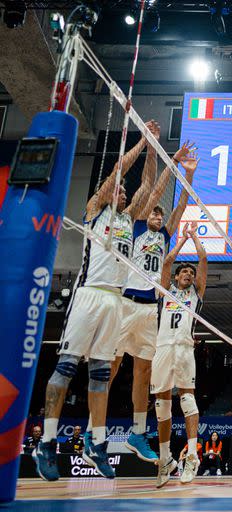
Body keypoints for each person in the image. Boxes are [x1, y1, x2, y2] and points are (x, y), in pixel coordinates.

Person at [34, 122, 160, 482]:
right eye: (118, 190)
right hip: (90, 294)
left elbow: (147, 185)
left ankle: (98, 443)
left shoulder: (129, 218)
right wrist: (139, 142)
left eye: (123, 192)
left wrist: (153, 148)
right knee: (68, 366)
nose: (122, 192)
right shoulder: (95, 209)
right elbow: (117, 172)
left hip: (116, 302)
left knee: (102, 375)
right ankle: (47, 443)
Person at [108, 143, 198, 463]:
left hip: (149, 309)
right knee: (112, 364)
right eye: (156, 213)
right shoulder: (134, 228)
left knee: (143, 372)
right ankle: (95, 432)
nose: (159, 215)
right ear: (148, 216)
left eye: (161, 214)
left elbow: (181, 204)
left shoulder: (165, 236)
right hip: (126, 302)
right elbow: (156, 190)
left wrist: (189, 175)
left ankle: (136, 431)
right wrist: (171, 162)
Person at [152, 222, 208, 488]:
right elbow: (167, 261)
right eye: (183, 272)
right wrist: (182, 240)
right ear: (176, 278)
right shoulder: (166, 291)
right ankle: (165, 459)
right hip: (162, 347)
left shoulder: (195, 294)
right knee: (162, 404)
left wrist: (195, 237)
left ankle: (193, 456)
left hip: (184, 348)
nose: (187, 273)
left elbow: (204, 259)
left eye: (190, 272)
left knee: (187, 399)